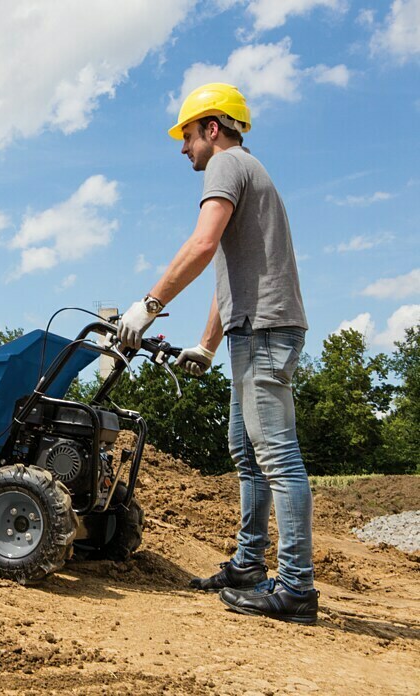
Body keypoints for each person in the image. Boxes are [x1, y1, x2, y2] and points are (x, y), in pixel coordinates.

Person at [117, 83, 318, 625]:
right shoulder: (250, 171)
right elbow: (226, 275)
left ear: (212, 127)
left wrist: (149, 305)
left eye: (186, 135)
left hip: (265, 331)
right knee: (246, 451)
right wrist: (206, 346)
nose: (183, 148)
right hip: (251, 329)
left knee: (276, 455)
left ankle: (297, 588)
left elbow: (202, 246)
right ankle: (251, 565)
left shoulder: (226, 165)